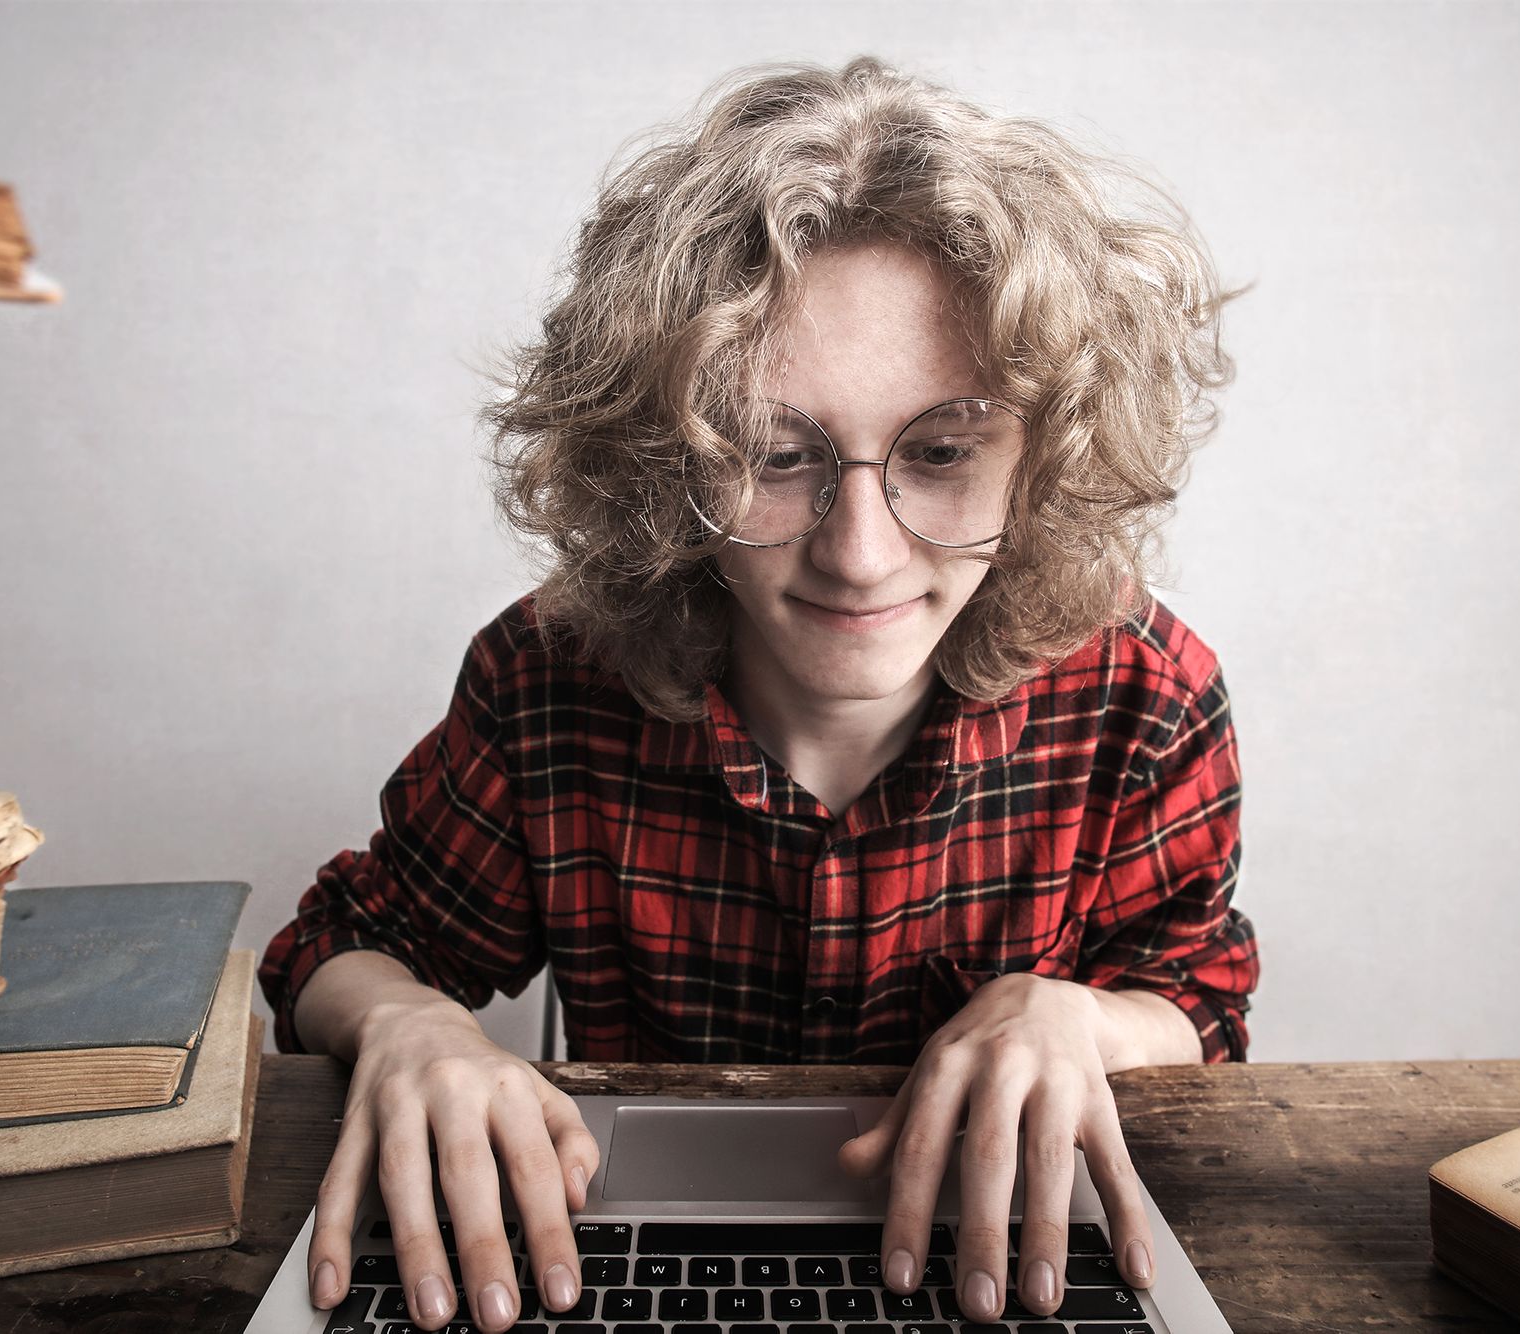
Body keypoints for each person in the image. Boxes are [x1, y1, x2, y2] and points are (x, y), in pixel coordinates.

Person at [260, 55, 1258, 1334]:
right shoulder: (545, 681)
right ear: (659, 454)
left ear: (1044, 453)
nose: (859, 550)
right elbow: (337, 946)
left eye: (942, 452)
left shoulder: (1143, 695)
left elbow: (1197, 997)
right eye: (775, 456)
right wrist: (404, 1024)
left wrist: (1086, 1021)